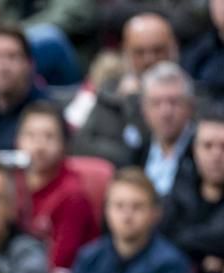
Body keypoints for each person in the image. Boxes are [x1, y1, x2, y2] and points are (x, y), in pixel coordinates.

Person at [69, 168, 195, 273]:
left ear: (155, 213)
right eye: (119, 206)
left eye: (137, 207)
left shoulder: (171, 265)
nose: (127, 216)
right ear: (106, 210)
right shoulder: (88, 258)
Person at [71, 13, 178, 166]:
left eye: (158, 50)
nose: (149, 59)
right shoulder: (108, 93)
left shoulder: (189, 95)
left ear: (173, 49)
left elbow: (158, 150)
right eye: (139, 52)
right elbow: (81, 145)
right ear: (125, 52)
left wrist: (134, 101)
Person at [15, 101, 98, 273]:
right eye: (31, 135)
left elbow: (59, 263)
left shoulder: (72, 195)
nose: (39, 145)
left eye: (49, 136)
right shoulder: (10, 184)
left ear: (64, 144)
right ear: (18, 140)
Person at [158, 111, 224, 273]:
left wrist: (188, 246)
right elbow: (162, 240)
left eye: (223, 146)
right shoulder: (178, 192)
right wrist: (203, 260)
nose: (216, 155)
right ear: (194, 150)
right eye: (208, 146)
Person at [134, 61, 195, 196]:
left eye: (174, 102)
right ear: (144, 109)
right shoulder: (135, 152)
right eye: (156, 103)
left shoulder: (203, 150)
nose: (166, 112)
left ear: (190, 106)